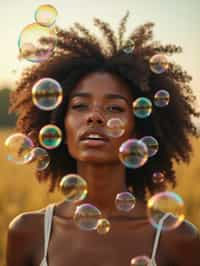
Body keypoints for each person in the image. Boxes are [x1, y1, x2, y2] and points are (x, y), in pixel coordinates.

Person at [6, 12, 200, 266]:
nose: (95, 117)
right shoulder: (27, 233)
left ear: (140, 130)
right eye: (80, 106)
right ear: (58, 125)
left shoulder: (178, 239)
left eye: (115, 108)